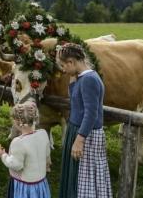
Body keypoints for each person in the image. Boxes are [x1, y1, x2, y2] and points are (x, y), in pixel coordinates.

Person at [57, 43, 112, 198]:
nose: (63, 70)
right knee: (76, 175)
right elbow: (75, 101)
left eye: (64, 65)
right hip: (78, 130)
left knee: (84, 177)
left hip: (86, 134)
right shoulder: (81, 77)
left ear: (71, 62)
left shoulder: (89, 80)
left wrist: (79, 140)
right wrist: (73, 78)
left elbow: (91, 113)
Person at [0, 103, 51, 198]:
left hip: (25, 186)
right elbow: (47, 154)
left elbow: (16, 165)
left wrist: (3, 155)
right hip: (40, 182)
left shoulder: (18, 142)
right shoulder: (43, 134)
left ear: (18, 121)